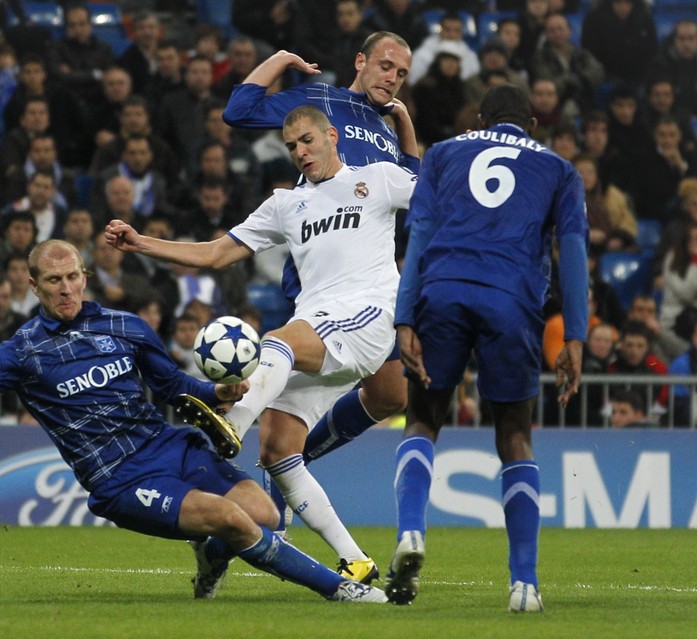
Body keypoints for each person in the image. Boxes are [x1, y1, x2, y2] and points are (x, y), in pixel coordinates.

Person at [0, 239, 388, 604]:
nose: (66, 288)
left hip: (170, 447)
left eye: (73, 277)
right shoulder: (21, 351)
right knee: (232, 520)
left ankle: (210, 557)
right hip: (120, 478)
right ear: (33, 285)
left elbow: (171, 386)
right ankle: (340, 587)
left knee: (264, 514)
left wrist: (216, 392)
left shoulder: (125, 325)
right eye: (54, 281)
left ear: (84, 276)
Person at [106, 104, 416, 584]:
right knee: (277, 450)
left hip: (369, 317)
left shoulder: (376, 178)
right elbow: (214, 253)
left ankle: (231, 421)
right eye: (292, 147)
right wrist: (141, 243)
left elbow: (435, 198)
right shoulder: (285, 205)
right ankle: (355, 559)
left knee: (275, 341)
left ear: (332, 135)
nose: (301, 152)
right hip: (317, 327)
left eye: (308, 141)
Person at [389, 84, 588, 611]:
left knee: (423, 419)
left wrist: (404, 315)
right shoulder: (559, 169)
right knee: (515, 436)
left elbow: (420, 235)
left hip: (442, 289)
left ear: (478, 119)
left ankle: (411, 530)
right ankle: (524, 583)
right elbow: (572, 251)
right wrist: (575, 335)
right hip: (511, 300)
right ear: (533, 124)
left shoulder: (444, 153)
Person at [222, 31, 418, 529]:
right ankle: (272, 459)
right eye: (386, 65)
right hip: (322, 272)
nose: (392, 77)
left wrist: (406, 125)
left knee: (392, 396)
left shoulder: (387, 128)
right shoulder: (321, 100)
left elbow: (416, 191)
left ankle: (294, 456)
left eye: (401, 73)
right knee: (311, 391)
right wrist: (282, 58)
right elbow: (240, 110)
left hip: (372, 278)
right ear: (361, 61)